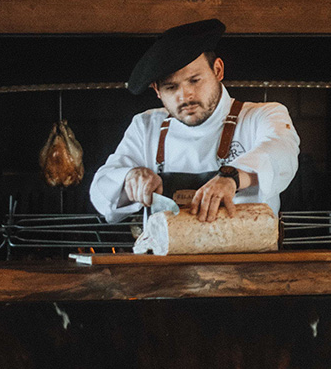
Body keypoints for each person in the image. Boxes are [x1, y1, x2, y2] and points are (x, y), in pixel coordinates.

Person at [89, 18, 299, 224]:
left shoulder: (263, 115)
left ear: (218, 70)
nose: (185, 95)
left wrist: (232, 178)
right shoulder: (146, 127)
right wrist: (129, 178)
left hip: (249, 248)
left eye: (194, 80)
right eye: (171, 87)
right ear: (157, 91)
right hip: (165, 248)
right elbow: (101, 191)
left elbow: (281, 152)